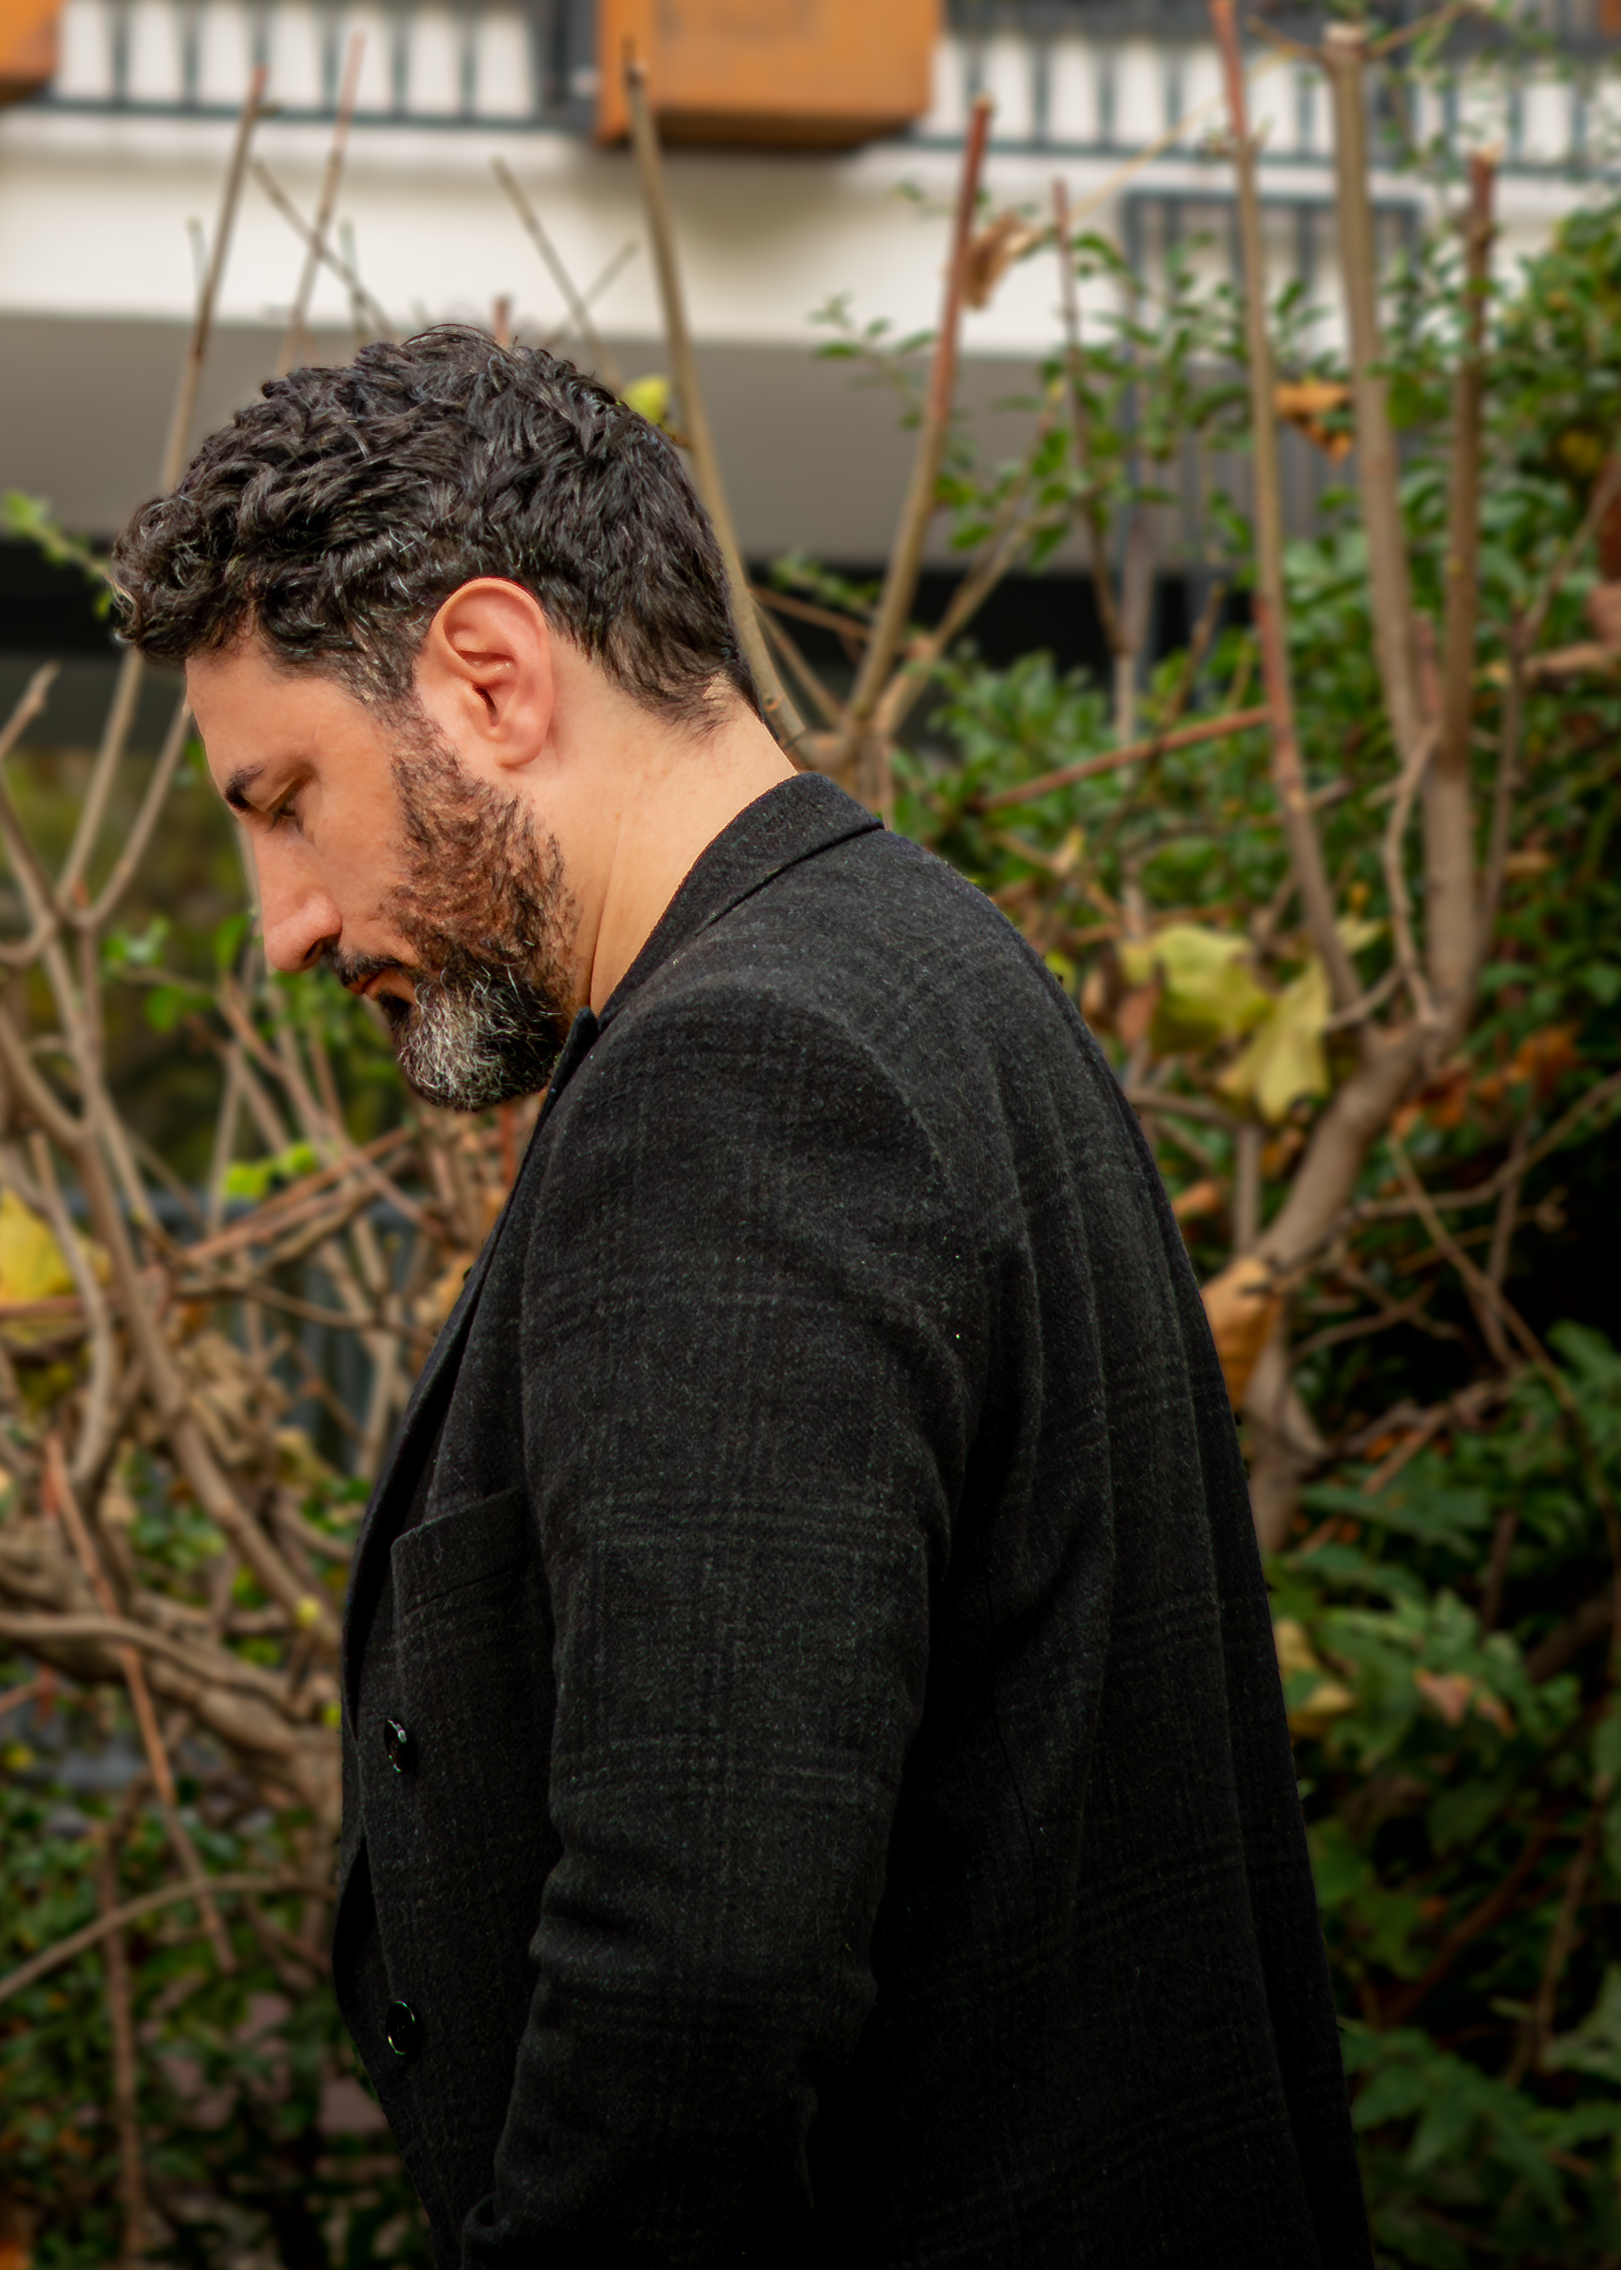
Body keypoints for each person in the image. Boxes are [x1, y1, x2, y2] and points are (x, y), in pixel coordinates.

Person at [109, 324, 1369, 2270]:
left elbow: (694, 1981)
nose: (287, 924)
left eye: (285, 800)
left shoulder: (741, 1078)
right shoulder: (923, 969)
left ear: (490, 676)